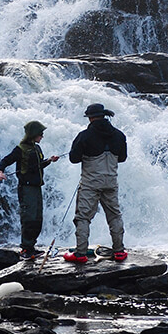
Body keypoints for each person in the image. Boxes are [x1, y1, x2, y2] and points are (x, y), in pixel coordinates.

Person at [64, 103, 127, 263]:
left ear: (90, 118)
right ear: (103, 115)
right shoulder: (119, 135)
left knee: (83, 217)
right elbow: (122, 158)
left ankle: (80, 254)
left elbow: (74, 158)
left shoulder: (84, 136)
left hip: (90, 183)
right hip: (111, 182)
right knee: (114, 215)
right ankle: (119, 251)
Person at [0, 121, 59, 260]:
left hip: (36, 188)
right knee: (29, 218)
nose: (42, 136)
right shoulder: (21, 149)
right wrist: (0, 172)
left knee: (37, 218)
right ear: (33, 134)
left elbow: (39, 166)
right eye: (40, 133)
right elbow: (6, 160)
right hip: (26, 188)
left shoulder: (37, 148)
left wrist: (49, 160)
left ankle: (31, 247)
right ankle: (25, 248)